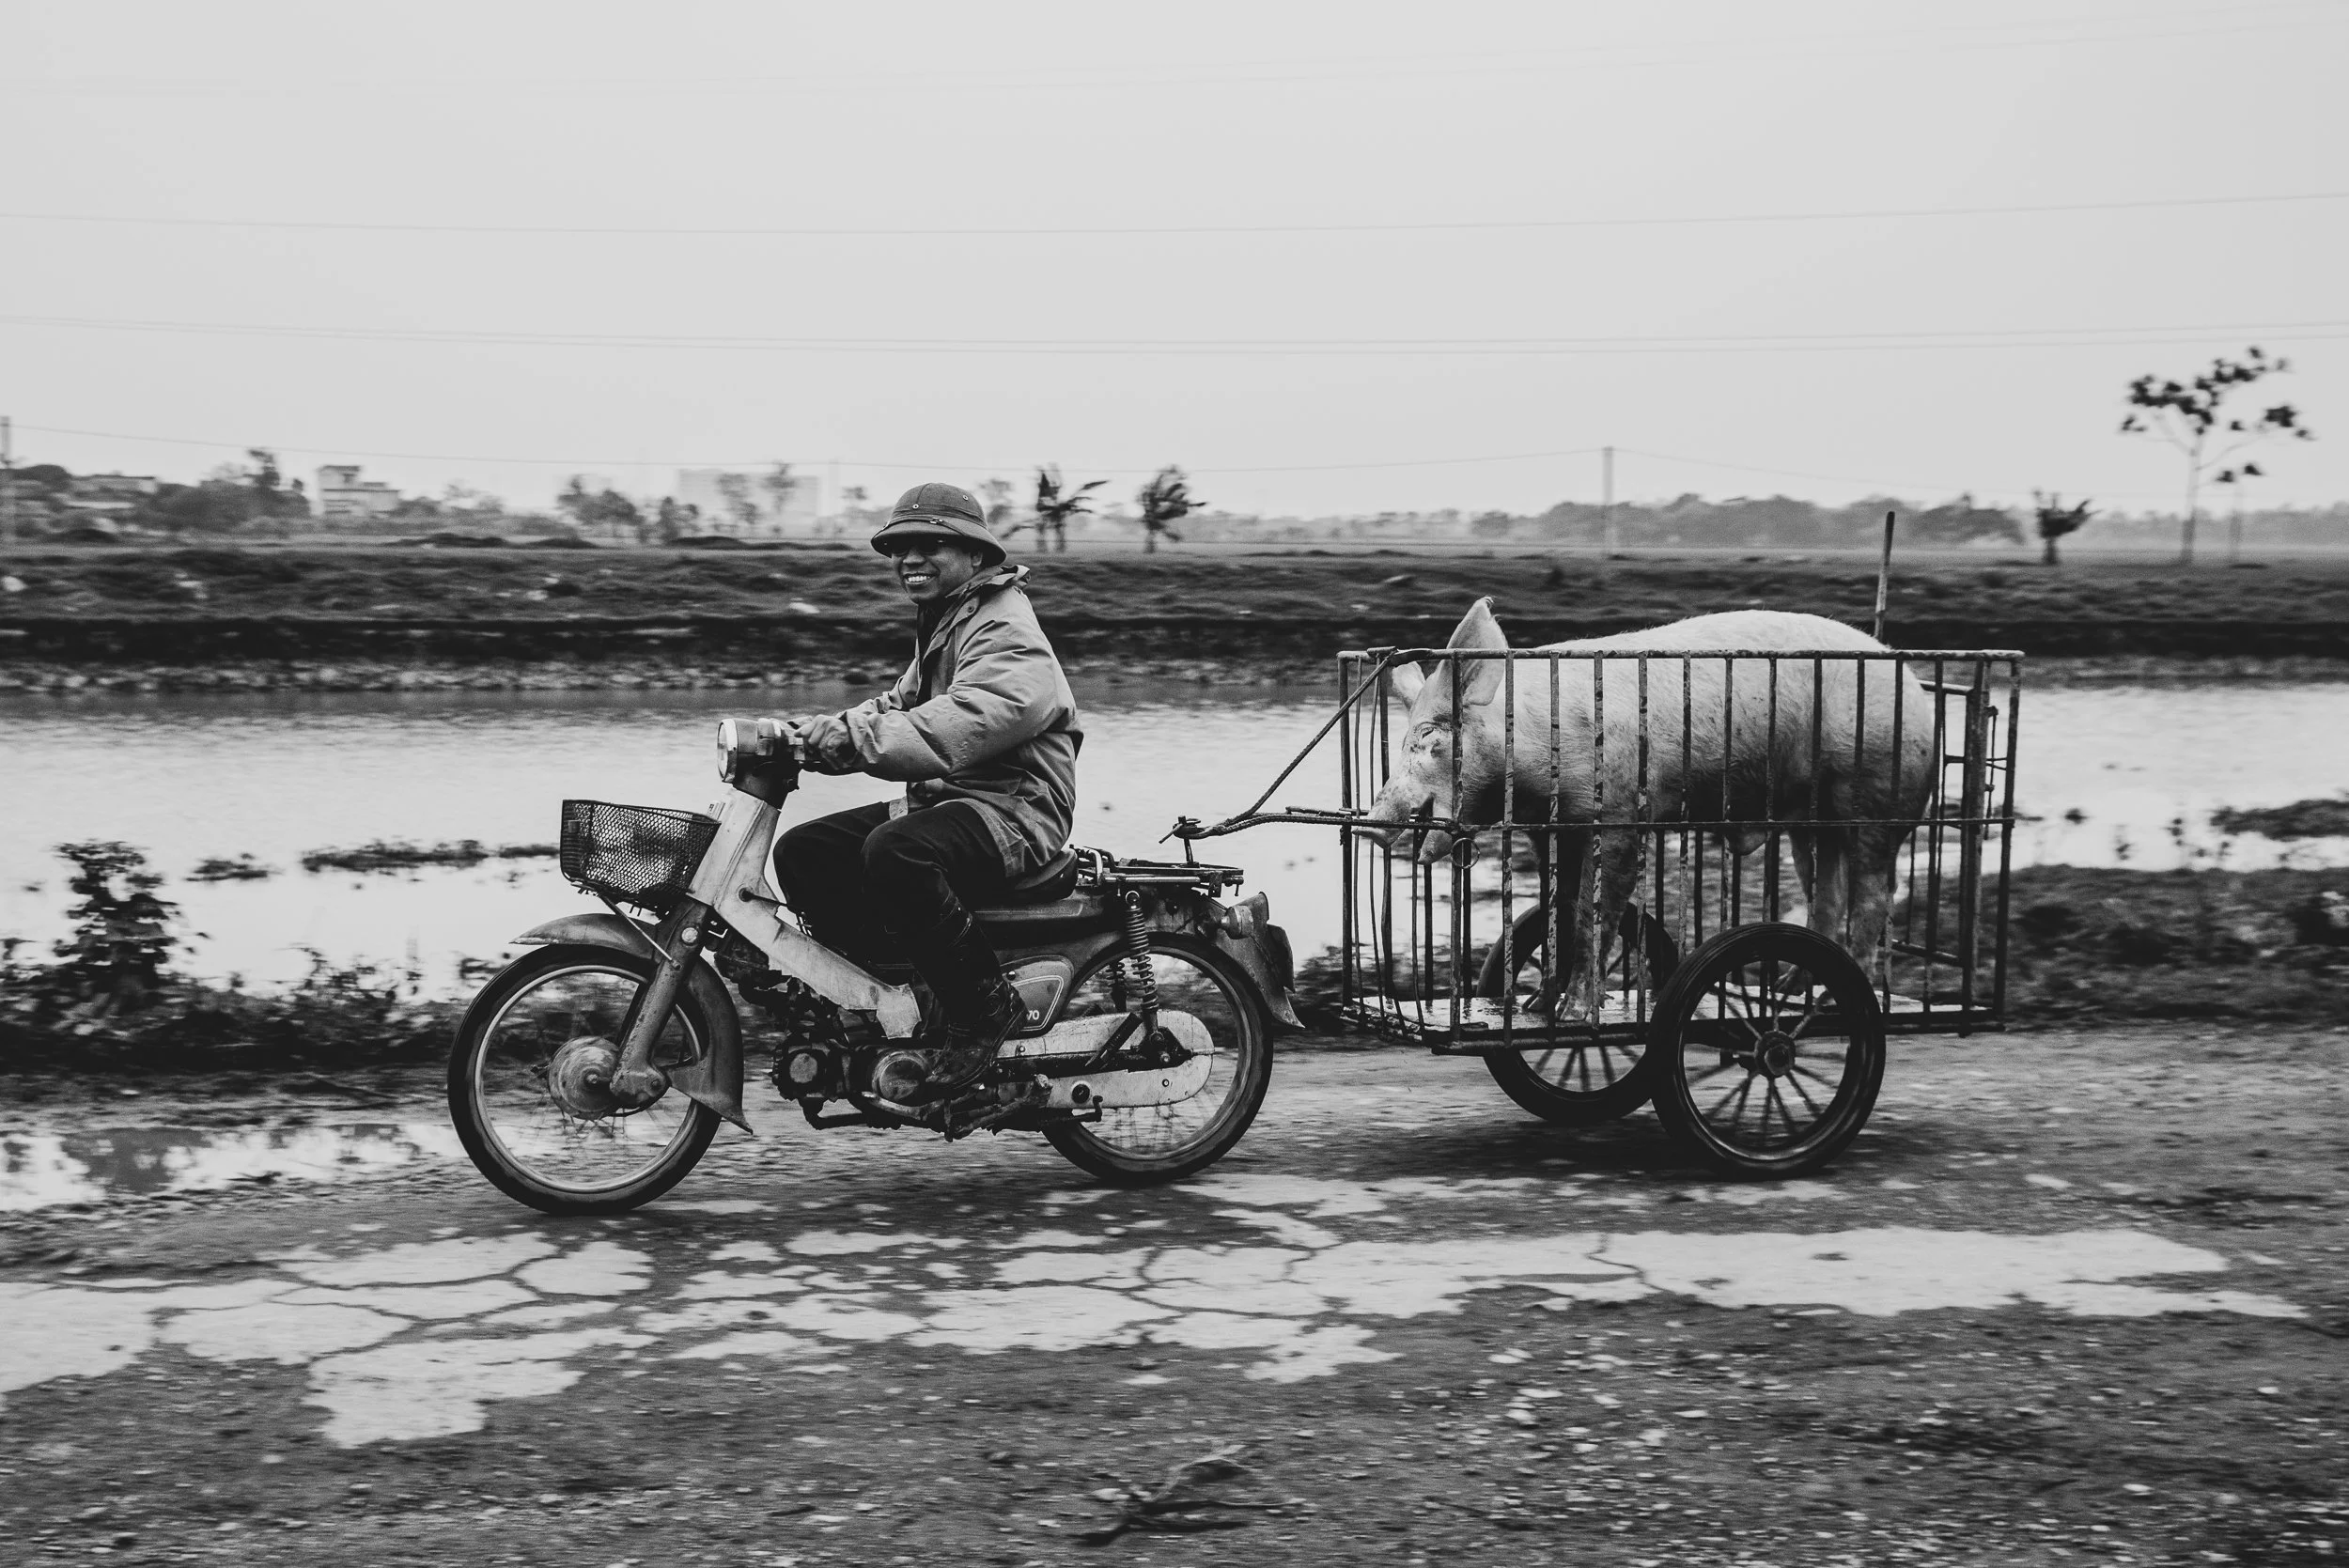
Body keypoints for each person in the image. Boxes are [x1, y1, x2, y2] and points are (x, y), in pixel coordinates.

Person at [773, 482, 1082, 1102]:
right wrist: (811, 733)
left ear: (975, 554)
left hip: (1015, 809)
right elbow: (900, 705)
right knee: (805, 852)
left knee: (897, 852)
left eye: (930, 545)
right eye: (900, 547)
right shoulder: (951, 616)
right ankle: (893, 993)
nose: (909, 559)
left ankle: (984, 1009)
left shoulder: (1005, 626)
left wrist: (851, 742)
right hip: (955, 797)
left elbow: (964, 720)